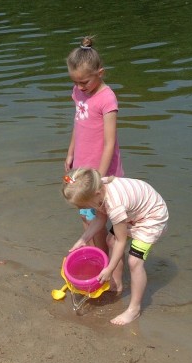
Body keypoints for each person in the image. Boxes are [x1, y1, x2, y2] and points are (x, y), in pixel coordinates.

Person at [62, 168, 169, 326]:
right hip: (134, 213)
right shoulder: (97, 188)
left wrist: (109, 268)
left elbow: (121, 240)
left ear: (97, 194)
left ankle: (134, 309)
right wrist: (83, 239)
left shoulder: (115, 205)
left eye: (83, 205)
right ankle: (116, 285)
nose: (81, 209)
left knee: (135, 262)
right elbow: (100, 218)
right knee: (109, 241)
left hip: (151, 218)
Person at [64, 36, 123, 251]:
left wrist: (99, 177)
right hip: (81, 166)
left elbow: (109, 142)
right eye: (75, 82)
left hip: (102, 170)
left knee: (100, 218)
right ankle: (96, 256)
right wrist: (70, 153)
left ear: (100, 73)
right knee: (85, 216)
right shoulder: (79, 92)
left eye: (84, 82)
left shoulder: (107, 99)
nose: (80, 87)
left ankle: (106, 263)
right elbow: (78, 123)